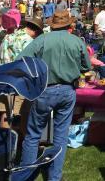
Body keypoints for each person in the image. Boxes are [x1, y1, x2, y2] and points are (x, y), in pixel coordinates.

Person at [18, 10, 91, 181]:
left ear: (53, 25)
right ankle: (54, 177)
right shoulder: (76, 41)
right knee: (61, 136)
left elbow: (22, 59)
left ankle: (26, 175)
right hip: (67, 90)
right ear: (69, 25)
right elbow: (86, 66)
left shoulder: (42, 39)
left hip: (45, 90)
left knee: (33, 134)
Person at [0, 10, 33, 128]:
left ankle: (6, 145)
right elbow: (30, 61)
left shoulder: (3, 36)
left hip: (3, 79)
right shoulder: (25, 38)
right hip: (20, 81)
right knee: (22, 115)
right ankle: (21, 145)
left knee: (5, 114)